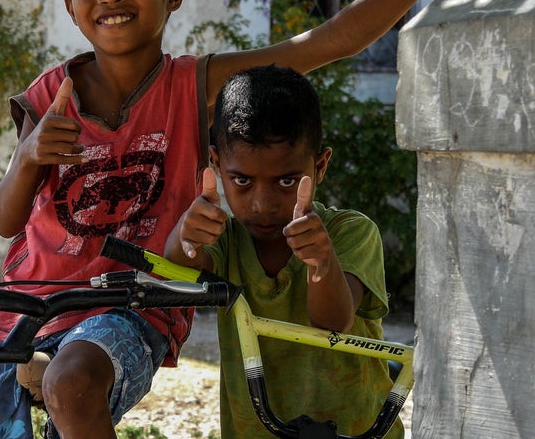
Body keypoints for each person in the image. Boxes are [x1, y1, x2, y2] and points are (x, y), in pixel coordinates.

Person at [0, 0, 526, 438]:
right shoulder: (50, 94)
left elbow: (328, 42)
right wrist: (28, 156)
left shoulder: (193, 86)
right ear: (71, 5)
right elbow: (5, 223)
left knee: (73, 383)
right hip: (23, 310)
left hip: (129, 309)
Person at [164, 66, 401, 437]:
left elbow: (334, 320)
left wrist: (322, 262)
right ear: (216, 165)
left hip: (355, 431)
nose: (262, 204)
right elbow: (176, 269)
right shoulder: (224, 241)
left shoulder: (350, 233)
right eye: (241, 180)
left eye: (286, 181)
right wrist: (184, 236)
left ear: (320, 166)